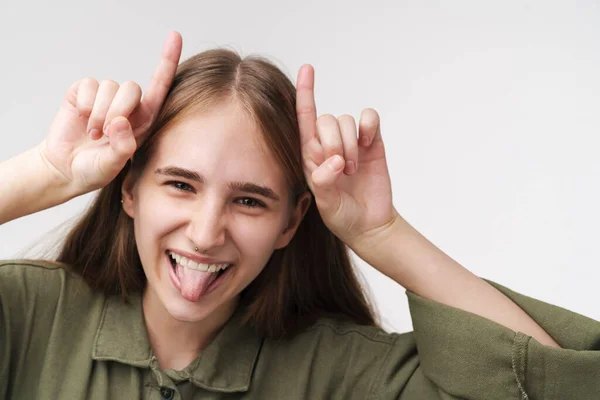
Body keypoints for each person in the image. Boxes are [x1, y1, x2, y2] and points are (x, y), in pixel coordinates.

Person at [0, 31, 598, 400]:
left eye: (250, 199)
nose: (207, 233)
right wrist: (46, 174)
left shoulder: (342, 371)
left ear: (291, 222)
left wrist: (381, 233)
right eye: (180, 185)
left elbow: (556, 387)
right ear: (128, 190)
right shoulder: (29, 317)